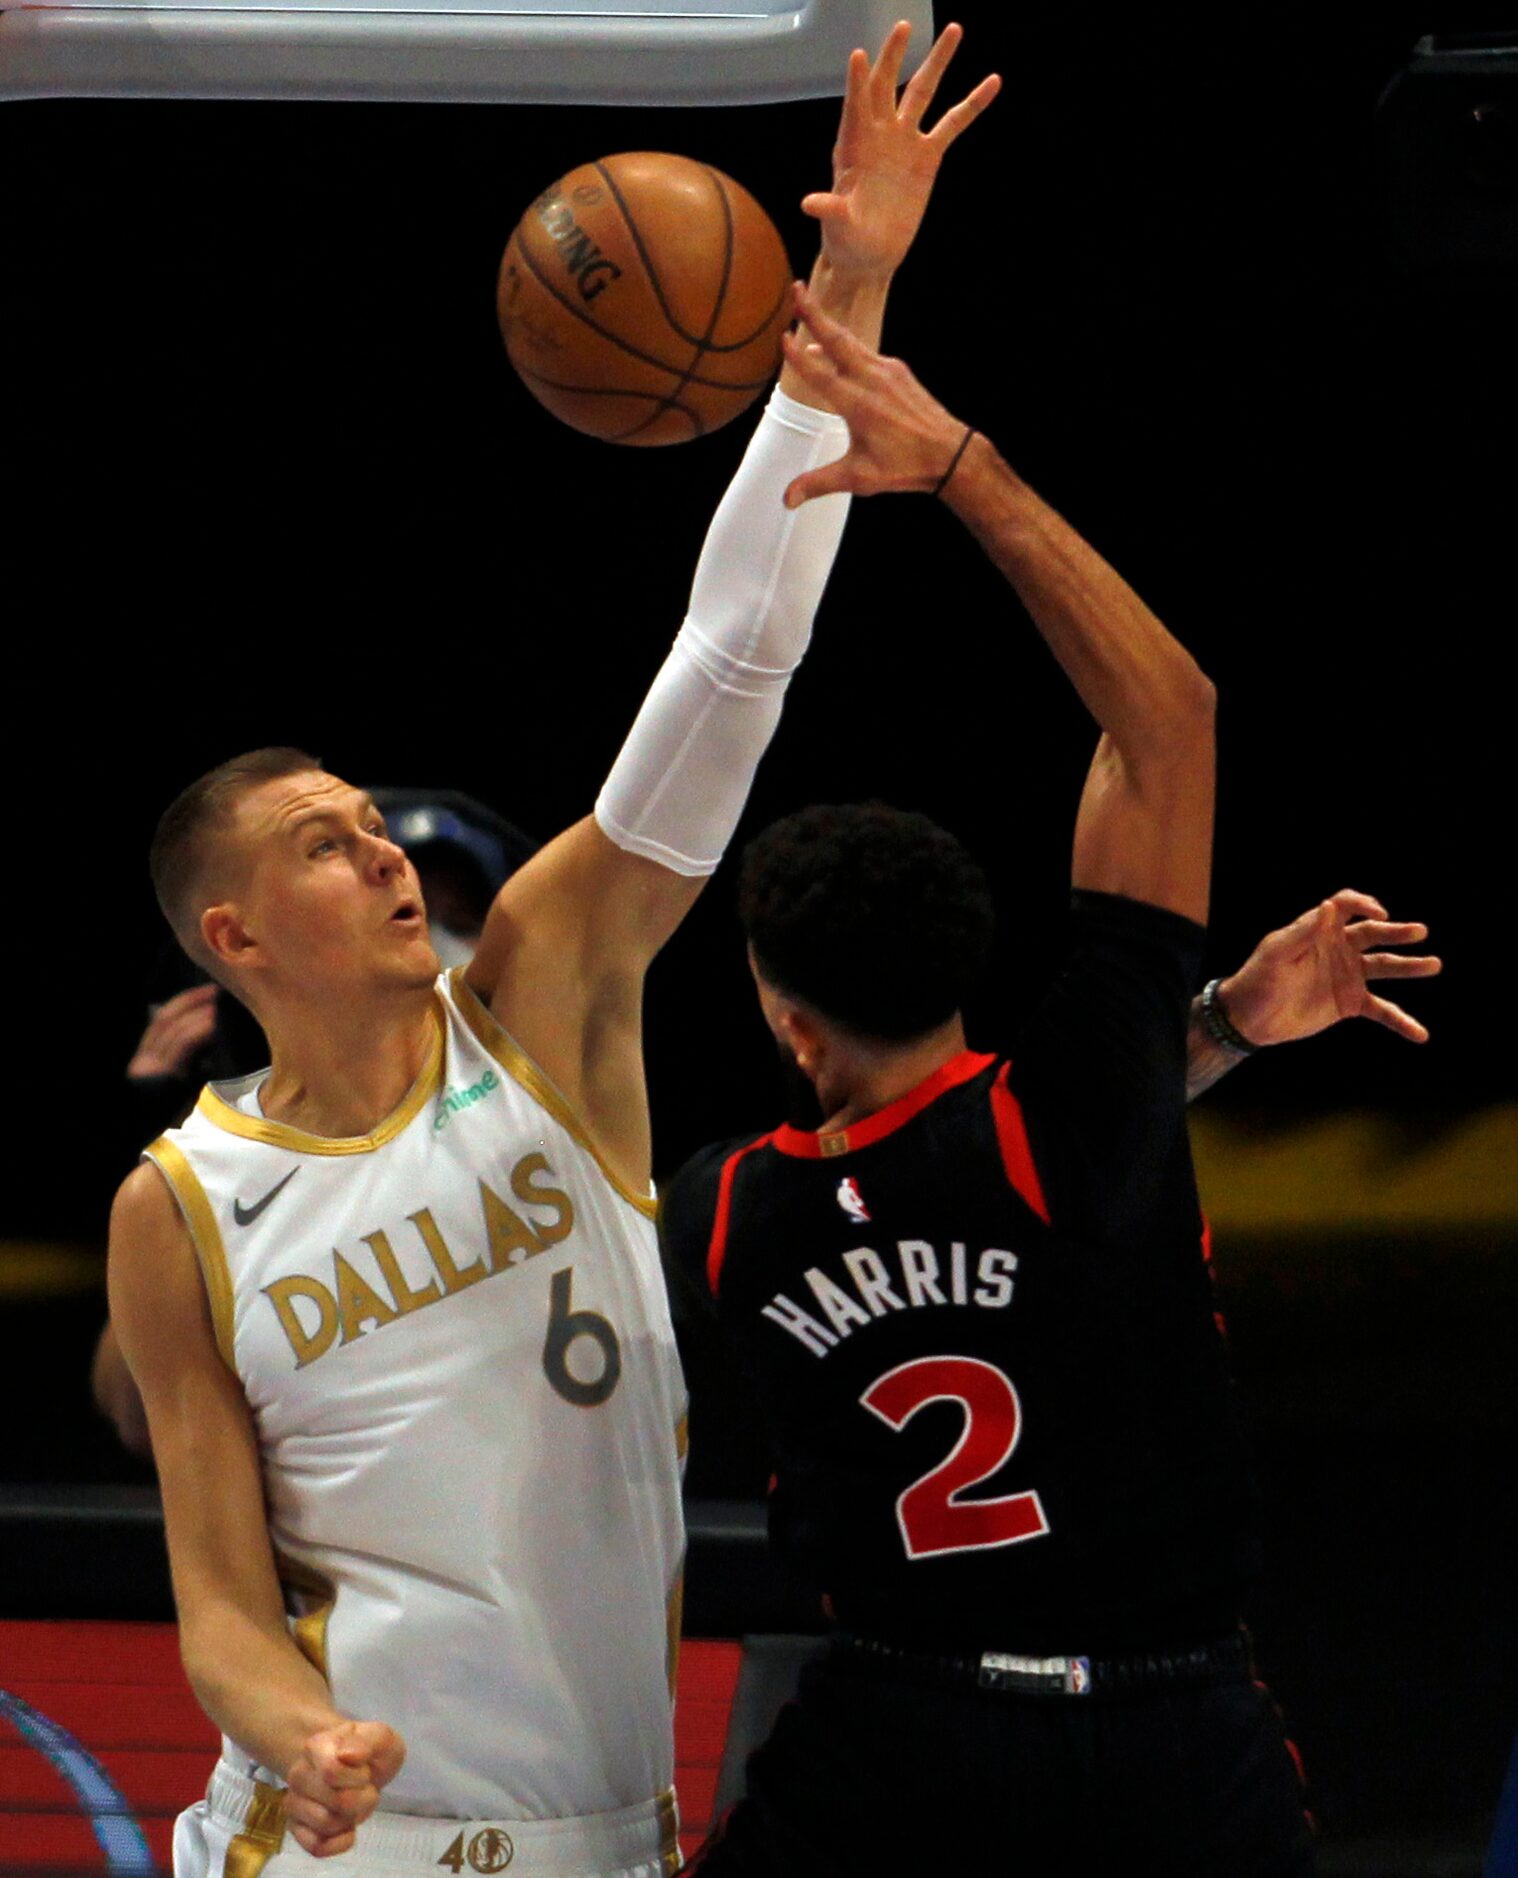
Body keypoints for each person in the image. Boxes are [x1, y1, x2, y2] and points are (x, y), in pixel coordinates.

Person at [105, 24, 1000, 1878]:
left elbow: (727, 668)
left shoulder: (542, 999)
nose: (380, 848)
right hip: (321, 1837)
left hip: (606, 1831)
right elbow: (212, 1595)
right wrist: (301, 1729)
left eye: (374, 820)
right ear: (234, 932)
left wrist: (848, 288)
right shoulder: (180, 1198)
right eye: (322, 845)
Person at [657, 292, 1440, 1876]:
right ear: (960, 959)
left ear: (789, 1023)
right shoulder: (1061, 1114)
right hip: (1167, 1737)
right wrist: (957, 465)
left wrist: (1204, 1041)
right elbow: (1166, 718)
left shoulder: (730, 1209)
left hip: (898, 1737)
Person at [93, 790, 535, 1460]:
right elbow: (138, 1415)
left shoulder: (552, 1101)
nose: (423, 930)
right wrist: (175, 1177)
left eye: (457, 917)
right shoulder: (227, 1173)